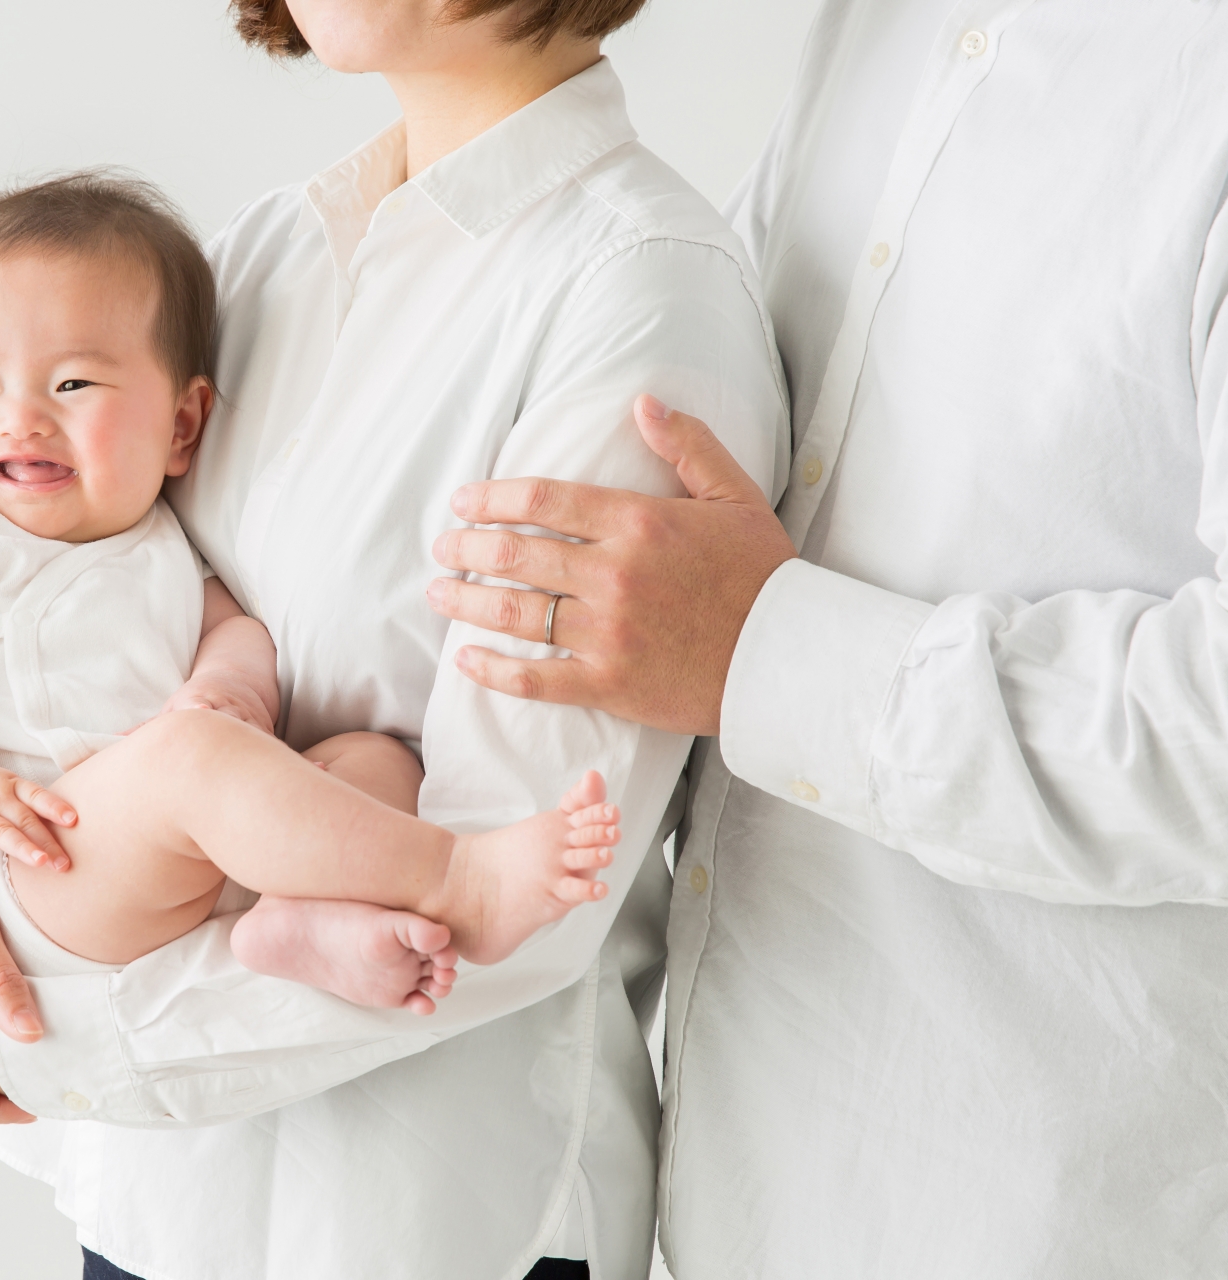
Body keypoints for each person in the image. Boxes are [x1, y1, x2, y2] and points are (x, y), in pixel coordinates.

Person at [0, 1, 787, 1277]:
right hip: (156, 1207)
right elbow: (4, 567)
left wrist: (20, 1018)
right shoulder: (272, 253)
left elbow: (527, 887)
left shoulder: (633, 294)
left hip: (406, 1219)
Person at [426, 1, 1228, 1275]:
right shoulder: (888, 22)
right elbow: (693, 514)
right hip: (727, 1193)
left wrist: (768, 651)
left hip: (1051, 1221)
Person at [0, 173, 623, 1021]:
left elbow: (233, 630)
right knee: (192, 760)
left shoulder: (163, 541)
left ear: (183, 428)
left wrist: (230, 687)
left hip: (170, 861)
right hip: (36, 864)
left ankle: (303, 922)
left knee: (372, 762)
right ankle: (462, 881)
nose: (21, 419)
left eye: (73, 384)